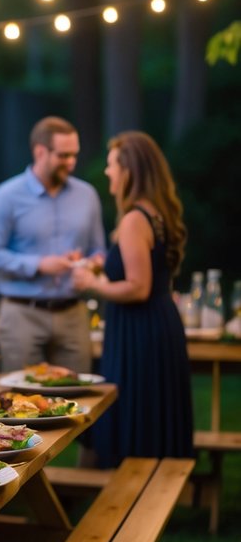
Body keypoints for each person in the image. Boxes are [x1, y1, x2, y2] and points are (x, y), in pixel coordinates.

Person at [72, 132, 193, 465]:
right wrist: (104, 273)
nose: (108, 172)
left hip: (139, 331)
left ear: (129, 170)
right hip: (158, 324)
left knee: (137, 408)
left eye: (112, 166)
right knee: (155, 408)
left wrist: (89, 282)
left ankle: (134, 489)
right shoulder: (157, 214)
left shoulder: (133, 220)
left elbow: (138, 287)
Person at [0, 115, 106, 374]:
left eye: (74, 155)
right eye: (63, 155)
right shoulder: (6, 196)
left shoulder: (87, 195)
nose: (71, 163)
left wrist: (91, 265)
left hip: (73, 314)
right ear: (40, 151)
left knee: (79, 401)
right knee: (21, 401)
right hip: (22, 314)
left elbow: (99, 250)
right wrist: (38, 265)